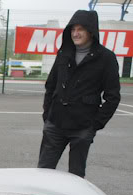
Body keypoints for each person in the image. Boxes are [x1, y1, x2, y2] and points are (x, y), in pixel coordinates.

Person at [37, 10, 121, 178]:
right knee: (43, 173)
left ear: (91, 31)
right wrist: (48, 115)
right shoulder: (63, 54)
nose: (75, 33)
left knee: (76, 176)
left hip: (82, 128)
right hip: (55, 124)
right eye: (73, 29)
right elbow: (50, 85)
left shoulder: (106, 58)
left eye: (80, 29)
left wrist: (95, 124)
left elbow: (113, 96)